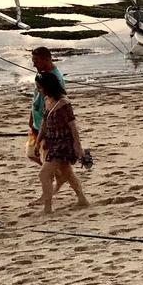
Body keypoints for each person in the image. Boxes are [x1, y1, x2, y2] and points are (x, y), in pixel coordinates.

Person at [35, 71, 89, 214]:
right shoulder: (47, 100)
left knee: (44, 175)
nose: (38, 90)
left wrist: (78, 147)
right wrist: (38, 141)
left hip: (64, 144)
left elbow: (73, 127)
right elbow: (44, 123)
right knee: (67, 173)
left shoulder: (63, 103)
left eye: (39, 87)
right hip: (53, 142)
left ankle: (47, 208)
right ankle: (82, 199)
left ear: (47, 86)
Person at [28, 47, 67, 204]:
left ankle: (48, 193)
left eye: (36, 61)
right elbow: (36, 97)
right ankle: (58, 175)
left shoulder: (54, 78)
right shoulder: (40, 75)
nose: (34, 65)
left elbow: (60, 102)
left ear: (46, 59)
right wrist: (31, 117)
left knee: (46, 163)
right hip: (37, 123)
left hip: (47, 127)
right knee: (31, 153)